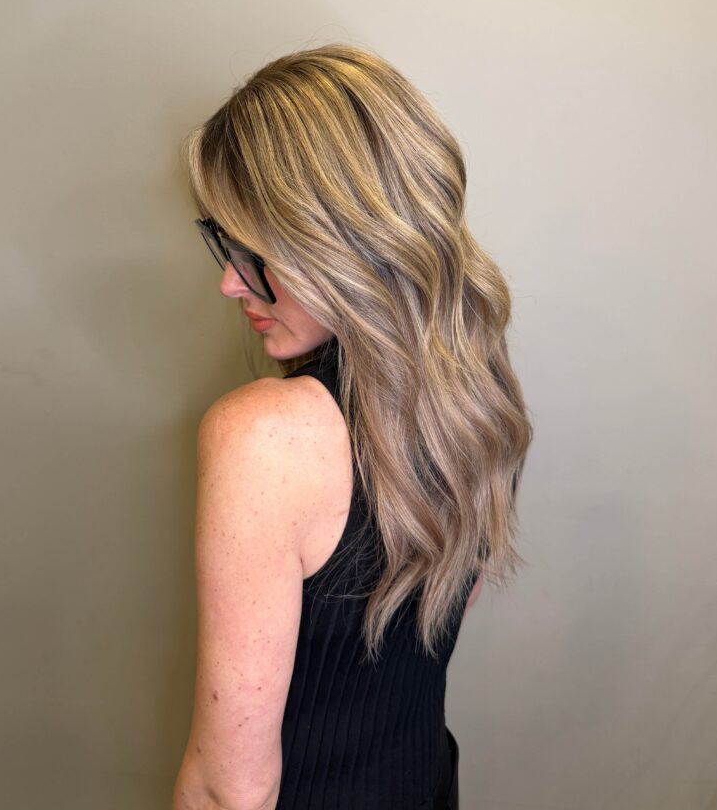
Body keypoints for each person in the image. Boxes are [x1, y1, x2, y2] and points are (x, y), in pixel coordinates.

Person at [172, 43, 533, 810]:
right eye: (222, 241)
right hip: (423, 783)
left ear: (344, 245)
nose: (230, 281)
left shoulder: (261, 437)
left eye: (253, 253)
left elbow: (227, 789)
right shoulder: (479, 392)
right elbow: (425, 628)